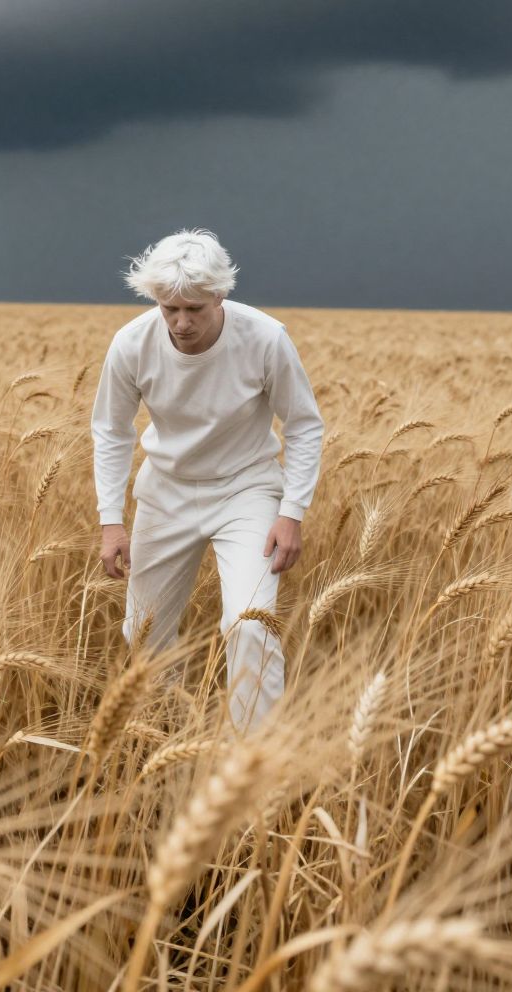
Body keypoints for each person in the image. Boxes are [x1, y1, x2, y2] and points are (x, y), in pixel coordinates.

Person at [90, 228, 325, 733]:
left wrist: (291, 512)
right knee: (143, 631)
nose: (181, 323)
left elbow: (304, 424)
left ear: (220, 295)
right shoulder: (131, 343)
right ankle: (165, 737)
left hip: (247, 490)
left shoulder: (265, 338)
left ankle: (253, 757)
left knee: (250, 624)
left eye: (194, 308)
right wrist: (111, 522)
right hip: (165, 490)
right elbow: (110, 431)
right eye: (169, 308)